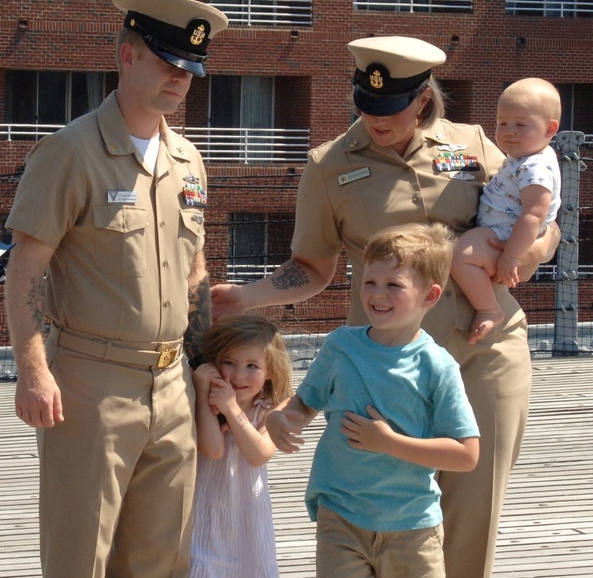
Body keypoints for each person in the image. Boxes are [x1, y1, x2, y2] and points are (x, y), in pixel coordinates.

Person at [210, 36, 560, 578]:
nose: (377, 118)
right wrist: (249, 296)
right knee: (384, 502)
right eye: (366, 105)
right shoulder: (329, 165)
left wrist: (529, 252)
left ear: (422, 98)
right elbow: (312, 266)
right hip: (383, 366)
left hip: (483, 346)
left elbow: (542, 217)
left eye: (391, 106)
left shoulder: (473, 144)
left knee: (473, 508)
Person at [3, 0, 228, 577]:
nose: (180, 80)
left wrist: (203, 364)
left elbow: (194, 268)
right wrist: (33, 371)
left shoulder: (188, 160)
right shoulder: (68, 152)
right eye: (168, 65)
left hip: (172, 382)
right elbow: (26, 267)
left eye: (190, 71)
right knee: (82, 556)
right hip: (89, 383)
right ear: (127, 57)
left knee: (162, 559)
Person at [267, 223, 479, 577]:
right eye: (370, 282)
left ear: (430, 296)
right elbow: (304, 403)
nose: (377, 294)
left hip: (412, 526)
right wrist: (280, 417)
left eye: (393, 285)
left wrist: (389, 443)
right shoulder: (340, 346)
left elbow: (466, 454)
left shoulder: (437, 366)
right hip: (340, 517)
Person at [451, 77, 561, 343]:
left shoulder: (535, 166)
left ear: (550, 129)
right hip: (502, 230)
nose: (509, 131)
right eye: (502, 123)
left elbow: (535, 216)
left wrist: (513, 256)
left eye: (521, 124)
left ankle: (489, 309)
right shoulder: (522, 157)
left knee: (460, 256)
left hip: (506, 234)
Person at [190, 314, 293, 578]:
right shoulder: (210, 403)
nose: (238, 375)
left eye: (251, 366)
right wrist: (203, 394)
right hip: (206, 507)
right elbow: (213, 450)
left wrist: (231, 408)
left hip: (247, 515)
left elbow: (259, 454)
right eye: (229, 363)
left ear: (270, 370)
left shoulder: (272, 409)